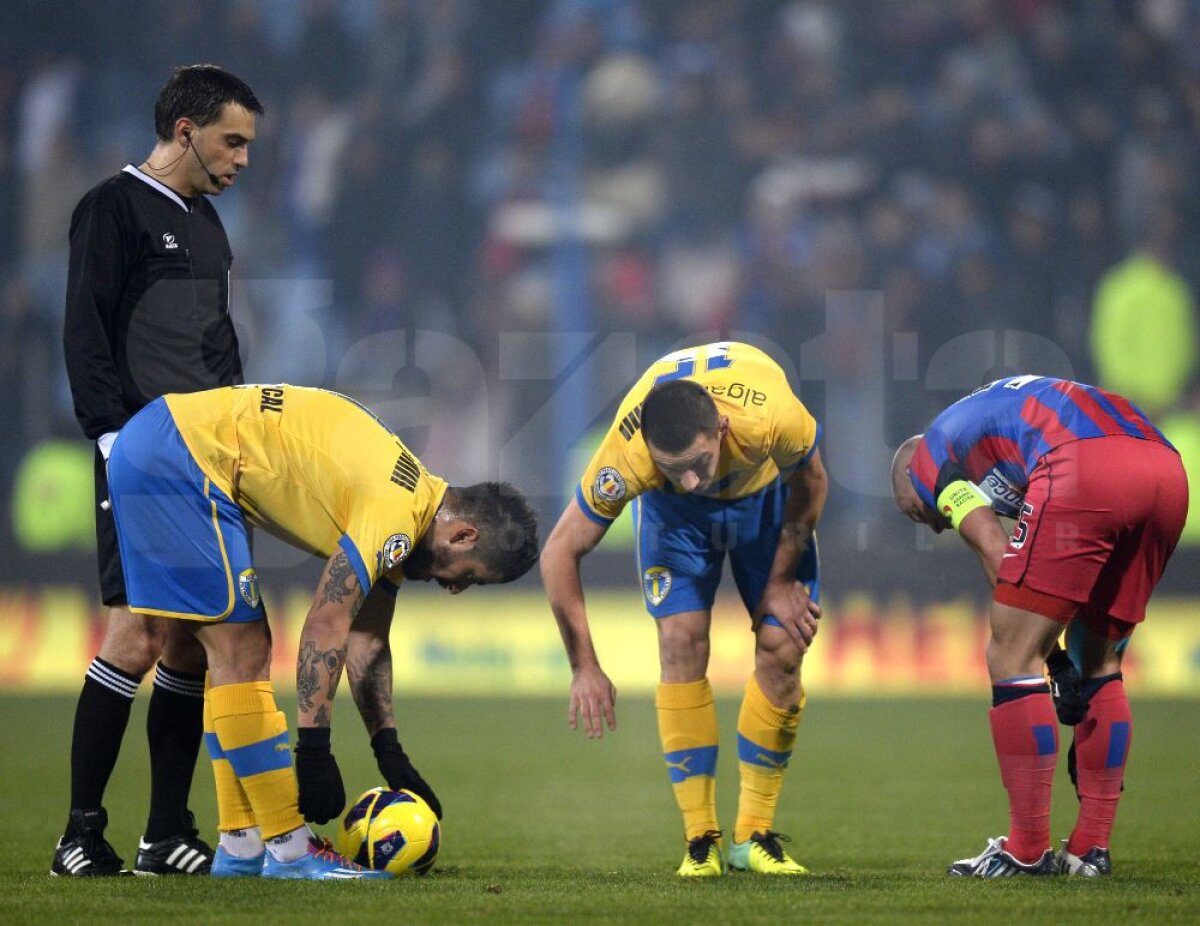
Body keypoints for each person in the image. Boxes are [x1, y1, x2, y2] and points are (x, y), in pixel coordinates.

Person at [105, 383, 540, 879]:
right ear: (464, 535)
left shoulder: (409, 509)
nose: (455, 589)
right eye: (467, 576)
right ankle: (291, 849)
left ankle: (241, 846)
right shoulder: (394, 510)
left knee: (224, 649)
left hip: (164, 446)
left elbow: (366, 642)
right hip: (177, 457)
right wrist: (314, 750)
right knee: (243, 647)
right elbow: (326, 623)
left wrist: (388, 748)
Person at [57, 64, 263, 877]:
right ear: (186, 131)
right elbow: (84, 331)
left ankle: (165, 833)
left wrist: (242, 437)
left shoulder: (208, 227)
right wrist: (111, 440)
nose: (243, 158)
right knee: (137, 634)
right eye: (232, 140)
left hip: (208, 457)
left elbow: (219, 347)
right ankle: (79, 833)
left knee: (188, 644)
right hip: (140, 453)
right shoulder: (110, 209)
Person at [540, 342, 827, 877]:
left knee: (783, 646)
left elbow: (811, 483)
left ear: (721, 427)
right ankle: (702, 839)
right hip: (677, 522)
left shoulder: (770, 413)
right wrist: (583, 666)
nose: (692, 480)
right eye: (674, 469)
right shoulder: (629, 453)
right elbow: (559, 552)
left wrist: (782, 579)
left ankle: (754, 835)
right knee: (680, 643)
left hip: (765, 504)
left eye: (697, 464)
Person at [890, 374, 1188, 877]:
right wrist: (1059, 657)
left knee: (1008, 655)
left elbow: (991, 544)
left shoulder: (927, 462)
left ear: (908, 481)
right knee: (1101, 662)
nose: (935, 524)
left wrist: (1041, 656)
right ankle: (1090, 849)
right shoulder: (986, 425)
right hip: (1165, 467)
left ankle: (1025, 850)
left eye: (919, 515)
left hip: (1082, 465)